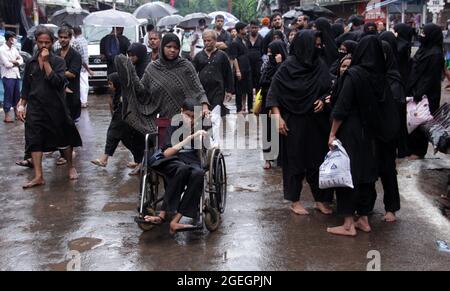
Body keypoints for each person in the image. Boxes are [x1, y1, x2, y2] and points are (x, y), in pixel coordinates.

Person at [328, 35, 398, 236]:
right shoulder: (382, 75)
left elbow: (341, 108)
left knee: (347, 175)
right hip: (373, 134)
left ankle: (348, 224)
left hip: (351, 131)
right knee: (367, 176)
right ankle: (364, 219)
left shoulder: (354, 74)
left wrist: (332, 134)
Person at [267, 30, 334, 216]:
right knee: (295, 161)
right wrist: (278, 117)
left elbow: (329, 88)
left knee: (318, 161)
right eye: (315, 44)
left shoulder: (319, 65)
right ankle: (294, 200)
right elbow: (273, 94)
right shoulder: (287, 67)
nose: (318, 47)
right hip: (293, 121)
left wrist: (323, 99)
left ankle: (320, 199)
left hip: (316, 121)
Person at [16, 26, 82, 189]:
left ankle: (70, 166)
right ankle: (39, 176)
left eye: (47, 42)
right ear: (36, 43)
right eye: (41, 42)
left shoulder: (58, 62)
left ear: (53, 43)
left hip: (56, 107)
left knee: (63, 140)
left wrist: (46, 63)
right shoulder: (30, 62)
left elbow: (58, 82)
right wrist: (21, 105)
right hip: (36, 108)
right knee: (34, 140)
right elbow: (26, 87)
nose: (44, 46)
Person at [114, 33, 210, 140]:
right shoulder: (152, 68)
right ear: (162, 47)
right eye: (169, 47)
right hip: (162, 120)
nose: (172, 50)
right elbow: (142, 92)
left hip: (187, 120)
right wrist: (130, 73)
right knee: (164, 151)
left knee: (187, 151)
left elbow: (198, 89)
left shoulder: (186, 66)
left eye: (176, 47)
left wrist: (205, 107)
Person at [144, 98, 207, 234]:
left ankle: (175, 221)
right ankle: (162, 215)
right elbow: (167, 153)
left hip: (191, 160)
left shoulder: (199, 125)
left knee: (198, 173)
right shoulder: (174, 125)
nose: (190, 120)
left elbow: (209, 145)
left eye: (193, 117)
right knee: (182, 169)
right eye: (188, 116)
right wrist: (189, 137)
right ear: (181, 112)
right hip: (172, 159)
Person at [407, 23, 445, 159]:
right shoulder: (423, 48)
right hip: (415, 90)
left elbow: (431, 78)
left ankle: (419, 151)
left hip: (427, 95)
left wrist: (419, 93)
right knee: (412, 119)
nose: (421, 36)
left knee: (422, 121)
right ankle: (411, 147)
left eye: (424, 34)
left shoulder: (435, 53)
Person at [259, 40, 287, 169]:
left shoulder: (286, 65)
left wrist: (279, 64)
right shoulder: (267, 65)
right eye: (268, 52)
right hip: (267, 102)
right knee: (268, 131)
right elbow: (263, 82)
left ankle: (282, 158)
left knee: (281, 130)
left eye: (272, 53)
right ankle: (268, 159)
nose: (269, 55)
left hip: (282, 103)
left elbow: (284, 81)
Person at [193, 30, 234, 117]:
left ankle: (215, 129)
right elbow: (192, 73)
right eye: (204, 41)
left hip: (218, 89)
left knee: (215, 113)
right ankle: (206, 130)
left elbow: (228, 73)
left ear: (215, 41)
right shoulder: (199, 56)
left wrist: (229, 91)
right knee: (204, 113)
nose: (206, 43)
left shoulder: (222, 55)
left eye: (209, 40)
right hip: (203, 90)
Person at [56, 27, 82, 122]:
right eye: (61, 37)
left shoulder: (75, 55)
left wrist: (56, 71)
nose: (63, 39)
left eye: (65, 37)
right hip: (58, 94)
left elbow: (72, 74)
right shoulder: (56, 53)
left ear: (70, 38)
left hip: (71, 94)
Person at [229, 22, 253, 113]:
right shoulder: (234, 42)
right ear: (240, 30)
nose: (247, 30)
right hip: (240, 69)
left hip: (248, 68)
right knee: (239, 90)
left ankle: (250, 107)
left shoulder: (246, 40)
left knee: (249, 89)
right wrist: (237, 70)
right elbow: (234, 57)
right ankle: (239, 108)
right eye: (245, 29)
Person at [0, 31, 23, 123]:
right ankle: (7, 115)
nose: (15, 39)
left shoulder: (14, 48)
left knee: (17, 95)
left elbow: (21, 60)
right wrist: (15, 62)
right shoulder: (2, 49)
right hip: (7, 75)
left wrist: (14, 62)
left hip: (16, 75)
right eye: (14, 37)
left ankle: (17, 113)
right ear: (10, 39)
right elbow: (7, 64)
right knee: (8, 95)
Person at [73, 26, 93, 109]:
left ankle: (83, 102)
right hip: (85, 65)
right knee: (85, 84)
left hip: (81, 66)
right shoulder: (84, 40)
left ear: (74, 32)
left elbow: (79, 56)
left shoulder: (76, 42)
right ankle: (84, 101)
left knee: (82, 85)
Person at [247, 20, 264, 99]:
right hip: (248, 64)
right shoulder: (245, 38)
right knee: (249, 84)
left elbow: (264, 51)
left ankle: (258, 104)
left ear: (258, 28)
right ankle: (249, 106)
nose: (254, 29)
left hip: (258, 64)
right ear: (249, 28)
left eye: (255, 28)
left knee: (258, 84)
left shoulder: (262, 39)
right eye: (252, 28)